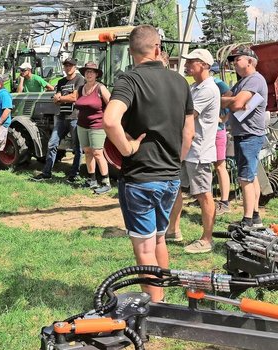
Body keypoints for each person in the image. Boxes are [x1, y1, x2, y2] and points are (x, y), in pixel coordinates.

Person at [103, 25, 194, 302]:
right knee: (158, 239)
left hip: (140, 178)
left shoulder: (128, 80)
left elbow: (109, 120)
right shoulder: (180, 82)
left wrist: (128, 147)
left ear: (131, 53)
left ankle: (156, 308)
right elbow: (188, 131)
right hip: (170, 177)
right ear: (157, 49)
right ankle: (163, 297)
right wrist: (175, 161)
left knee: (144, 248)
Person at [166, 49, 221, 254]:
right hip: (187, 149)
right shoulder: (195, 86)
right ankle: (173, 230)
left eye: (192, 62)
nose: (187, 65)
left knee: (203, 194)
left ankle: (207, 239)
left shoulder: (207, 89)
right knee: (175, 189)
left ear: (205, 65)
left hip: (198, 152)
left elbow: (187, 116)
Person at [221, 46, 268, 230]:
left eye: (237, 58)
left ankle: (247, 221)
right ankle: (255, 216)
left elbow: (237, 103)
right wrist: (230, 101)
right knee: (251, 176)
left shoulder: (254, 80)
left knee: (245, 179)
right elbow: (225, 98)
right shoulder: (244, 81)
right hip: (244, 134)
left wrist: (232, 102)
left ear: (250, 61)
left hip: (249, 135)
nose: (233, 62)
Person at [32, 57, 84, 183]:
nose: (68, 67)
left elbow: (74, 97)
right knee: (52, 143)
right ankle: (47, 172)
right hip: (61, 117)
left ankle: (74, 175)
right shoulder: (61, 82)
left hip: (74, 117)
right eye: (66, 65)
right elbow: (55, 98)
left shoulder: (80, 80)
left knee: (77, 147)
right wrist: (60, 98)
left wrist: (61, 98)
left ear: (75, 67)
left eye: (70, 65)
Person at [75, 62, 111, 193]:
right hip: (82, 125)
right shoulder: (80, 89)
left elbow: (111, 104)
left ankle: (106, 182)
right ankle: (92, 180)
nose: (89, 74)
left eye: (92, 72)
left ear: (96, 74)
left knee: (97, 153)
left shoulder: (100, 88)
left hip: (97, 126)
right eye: (87, 72)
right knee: (88, 152)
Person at [211, 65, 233, 215]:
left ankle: (224, 201)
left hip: (217, 131)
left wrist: (224, 118)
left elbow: (231, 102)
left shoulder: (219, 84)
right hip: (206, 132)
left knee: (220, 166)